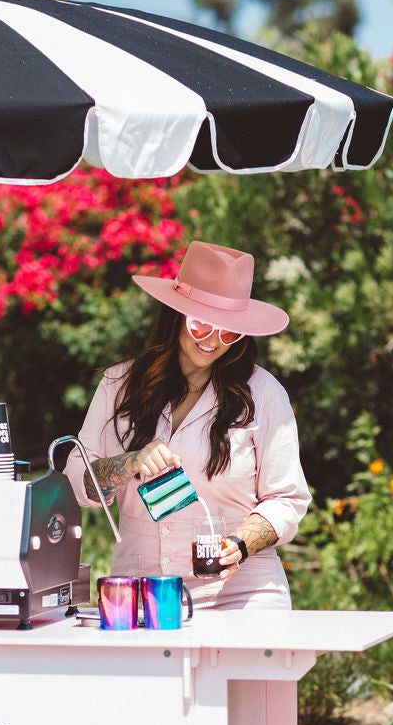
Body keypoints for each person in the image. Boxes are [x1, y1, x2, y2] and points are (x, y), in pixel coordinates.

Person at [65, 240, 310, 611]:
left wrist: (239, 544)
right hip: (143, 588)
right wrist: (129, 463)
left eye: (229, 332)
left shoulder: (263, 394)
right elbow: (78, 482)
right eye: (201, 325)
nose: (213, 340)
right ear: (175, 315)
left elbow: (287, 498)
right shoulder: (118, 384)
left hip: (243, 593)